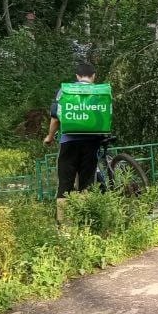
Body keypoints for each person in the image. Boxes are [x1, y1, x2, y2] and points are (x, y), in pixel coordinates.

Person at [45, 62, 104, 211]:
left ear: (77, 76)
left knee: (65, 184)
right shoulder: (100, 91)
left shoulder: (65, 91)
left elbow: (56, 118)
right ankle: (85, 222)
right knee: (87, 185)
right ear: (94, 76)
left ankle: (64, 226)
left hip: (69, 143)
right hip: (92, 143)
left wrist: (50, 137)